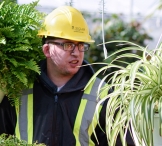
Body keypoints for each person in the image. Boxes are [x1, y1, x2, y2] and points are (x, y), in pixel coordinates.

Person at [0, 6, 113, 145]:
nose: (76, 53)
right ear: (47, 50)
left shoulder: (103, 94)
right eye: (68, 45)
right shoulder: (18, 89)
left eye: (81, 45)